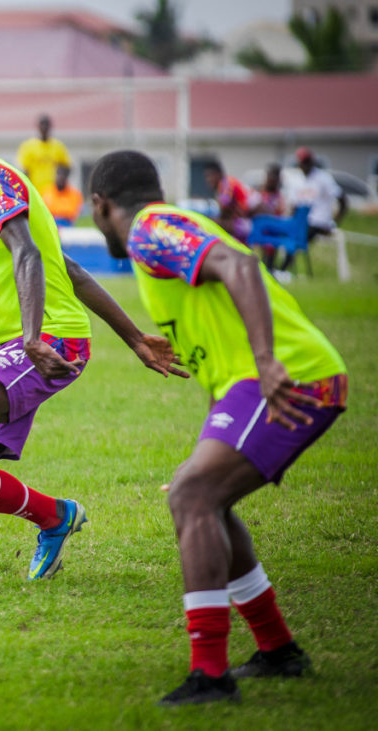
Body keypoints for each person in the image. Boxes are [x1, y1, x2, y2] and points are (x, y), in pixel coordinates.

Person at [0, 100, 184, 596]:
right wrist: (134, 338)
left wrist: (30, 337)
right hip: (0, 345)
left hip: (44, 338)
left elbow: (26, 252)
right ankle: (56, 517)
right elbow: (68, 268)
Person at [89, 149, 348, 706]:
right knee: (207, 498)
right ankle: (278, 650)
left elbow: (241, 266)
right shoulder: (166, 229)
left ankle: (210, 675)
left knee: (193, 495)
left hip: (290, 377)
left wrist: (268, 361)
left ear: (100, 204)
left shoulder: (150, 230)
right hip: (261, 382)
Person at [278, 146, 347, 271]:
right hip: (301, 221)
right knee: (282, 232)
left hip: (320, 222)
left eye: (307, 161)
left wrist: (336, 221)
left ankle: (282, 269)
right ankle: (275, 268)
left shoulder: (323, 178)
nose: (305, 165)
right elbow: (294, 205)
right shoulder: (296, 179)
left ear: (312, 161)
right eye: (303, 162)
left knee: (298, 236)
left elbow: (342, 199)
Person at [203, 160, 259, 243]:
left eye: (210, 175)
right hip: (245, 224)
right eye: (206, 177)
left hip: (248, 225)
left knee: (210, 223)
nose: (208, 180)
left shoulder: (227, 183)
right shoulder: (224, 184)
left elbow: (224, 208)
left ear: (218, 174)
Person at [16, 114, 72, 192]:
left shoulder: (58, 147)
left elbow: (67, 167)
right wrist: (28, 188)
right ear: (37, 127)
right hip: (35, 190)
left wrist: (60, 182)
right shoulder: (28, 146)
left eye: (46, 125)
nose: (44, 127)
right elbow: (23, 170)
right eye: (42, 125)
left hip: (53, 193)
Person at [250, 163, 287, 271]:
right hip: (258, 228)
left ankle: (270, 267)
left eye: (274, 176)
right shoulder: (259, 193)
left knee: (272, 240)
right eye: (269, 175)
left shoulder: (279, 196)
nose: (271, 179)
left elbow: (281, 212)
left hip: (273, 229)